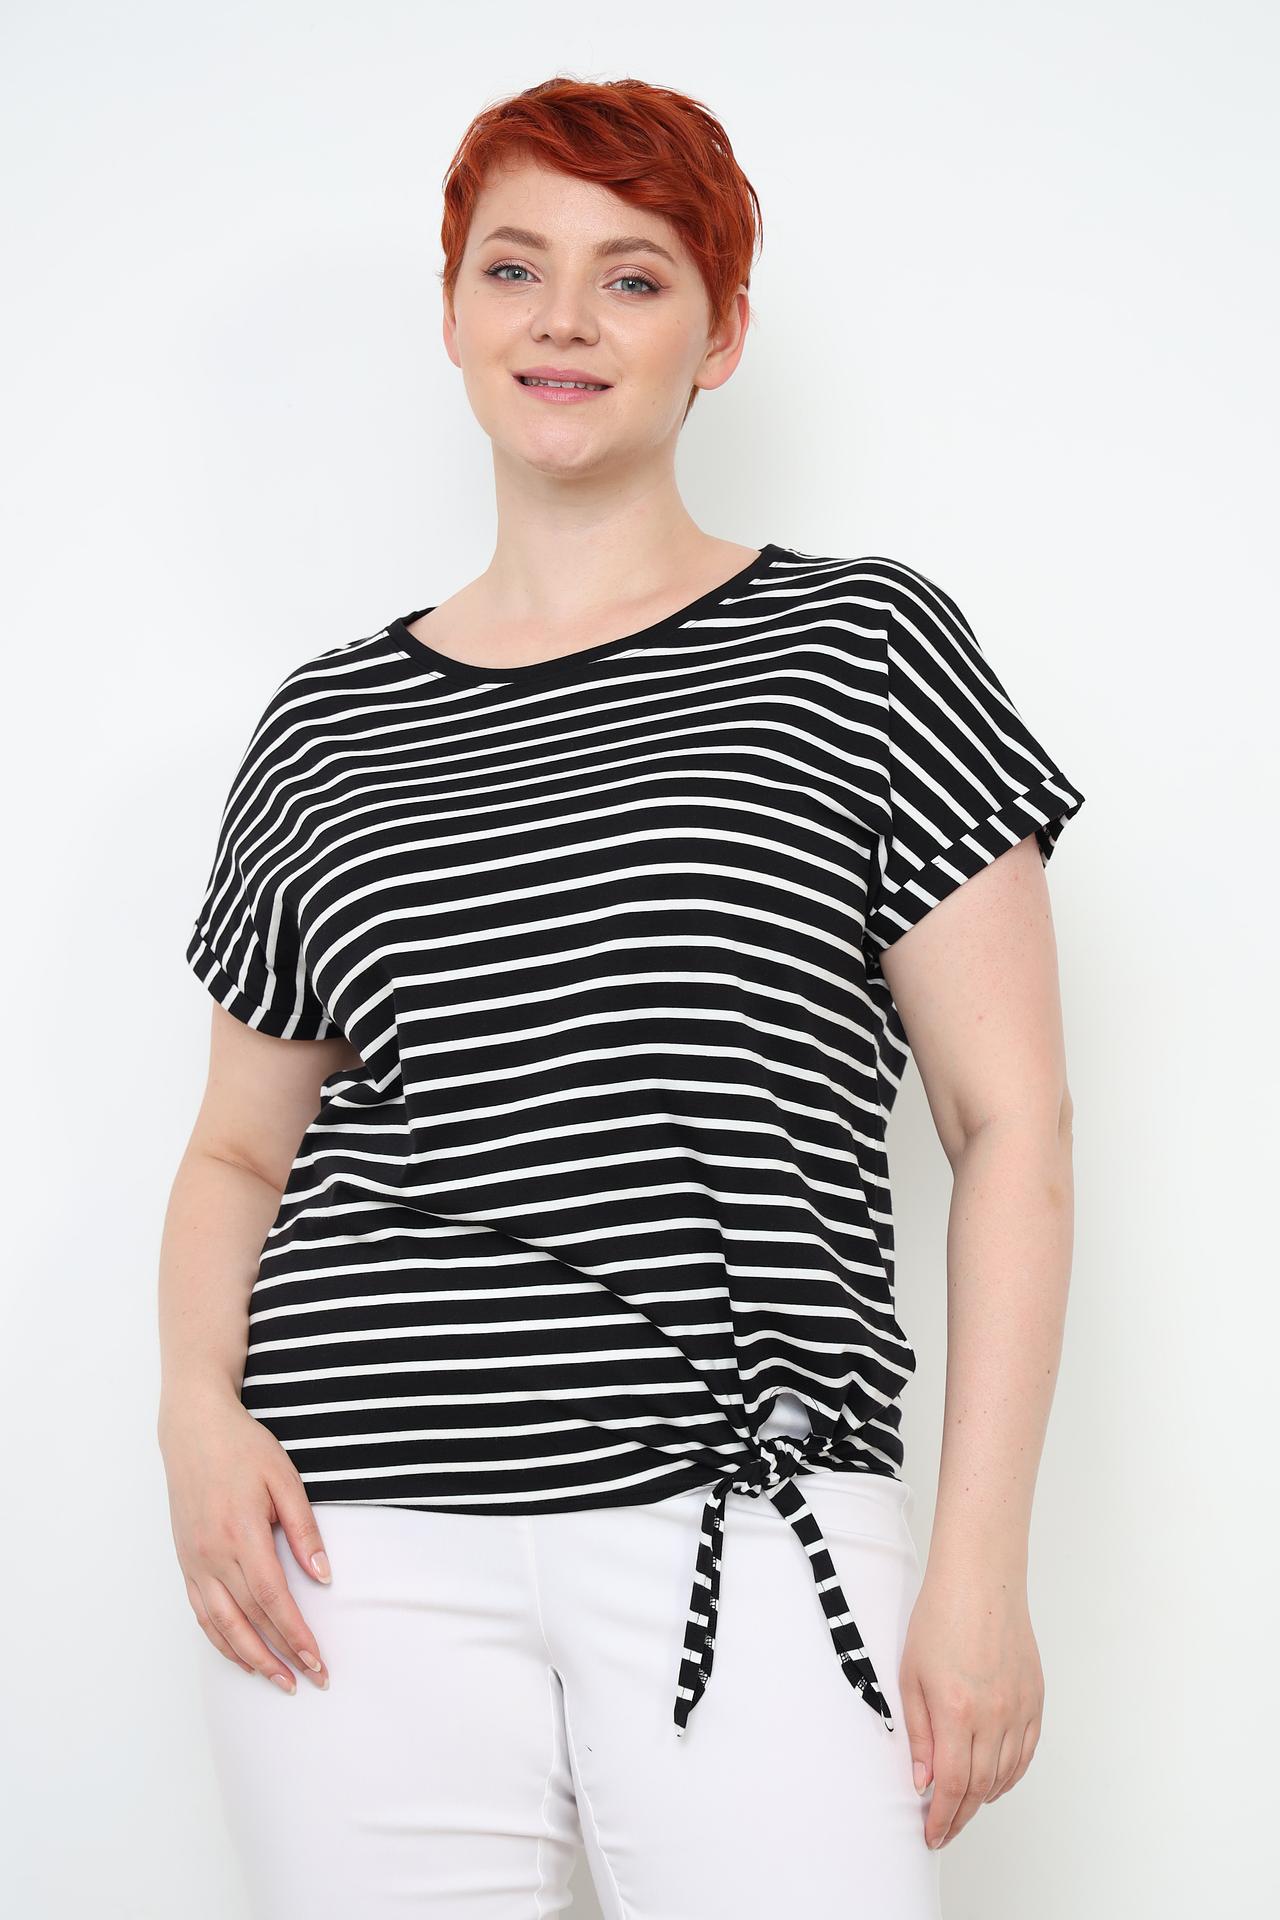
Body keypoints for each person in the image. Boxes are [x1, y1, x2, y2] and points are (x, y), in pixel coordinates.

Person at [157, 74, 1086, 1920]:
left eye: (634, 276)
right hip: (355, 1537)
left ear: (719, 335)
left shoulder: (861, 649)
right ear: (452, 316)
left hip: (752, 1507)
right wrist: (194, 1412)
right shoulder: (327, 726)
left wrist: (980, 1570)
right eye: (513, 268)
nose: (563, 319)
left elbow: (1013, 1126)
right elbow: (237, 1152)